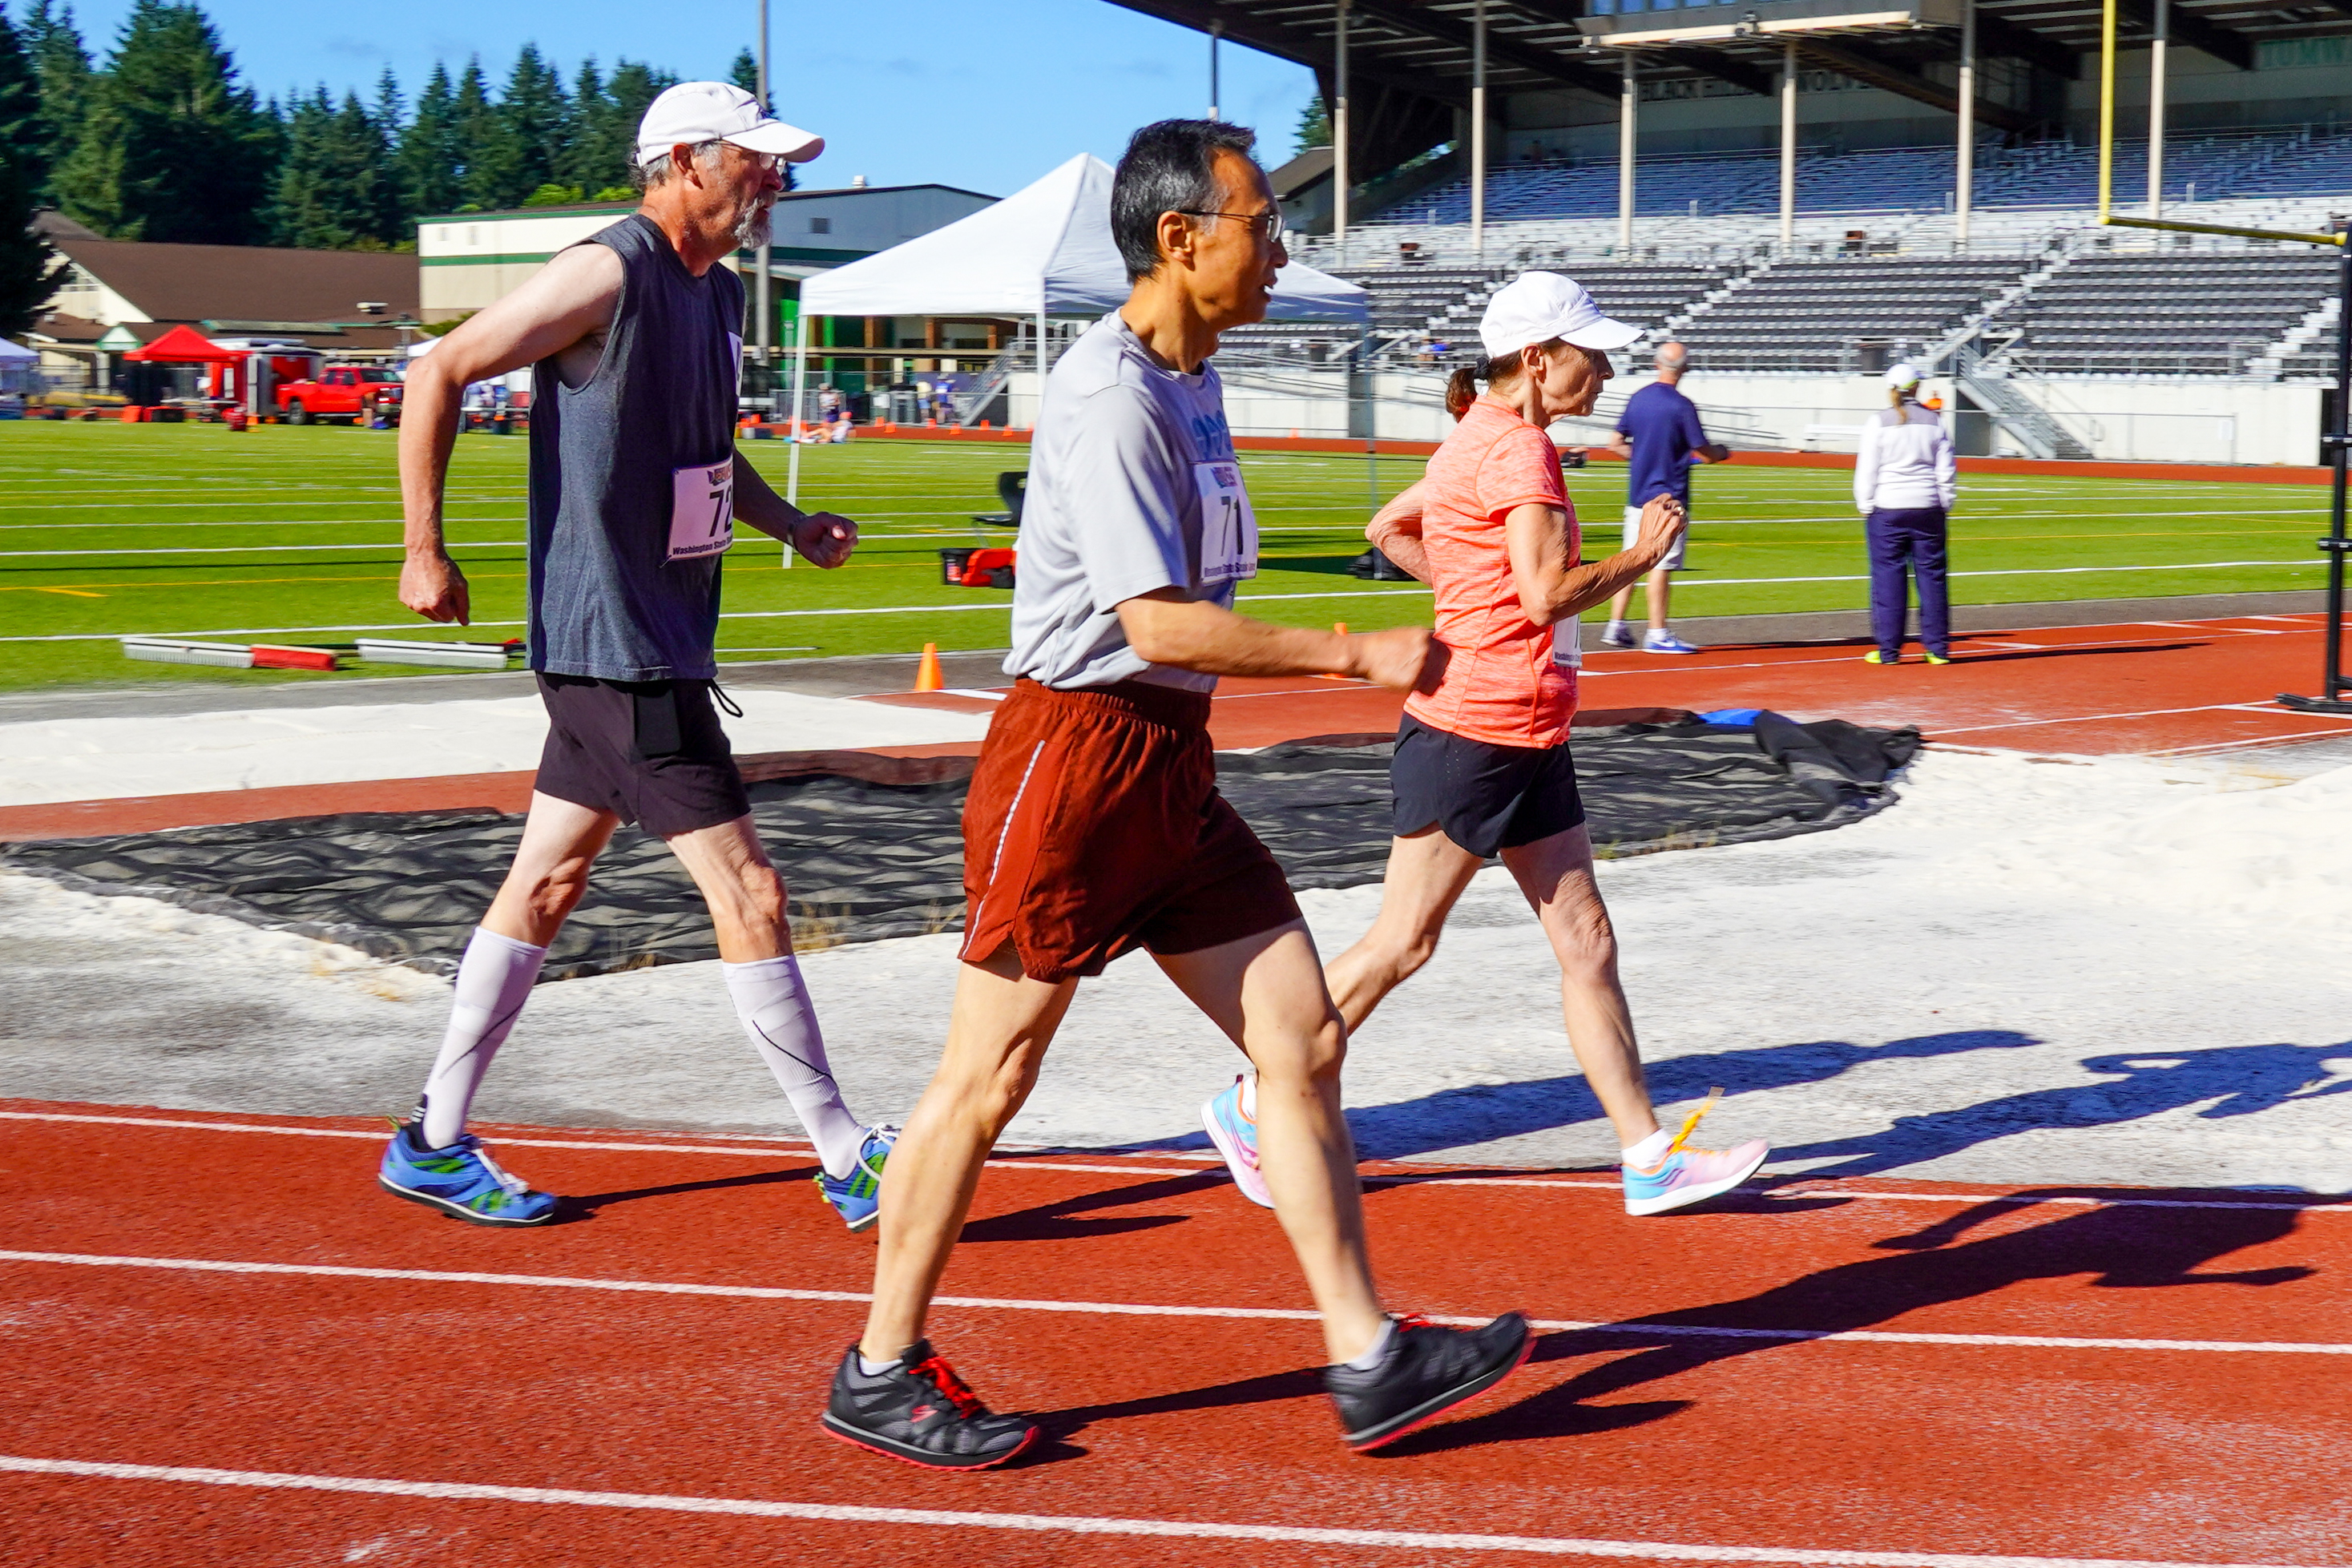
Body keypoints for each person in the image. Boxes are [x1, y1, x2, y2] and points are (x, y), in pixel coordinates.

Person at [823, 119, 1531, 1473]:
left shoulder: (1195, 379)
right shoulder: (1109, 396)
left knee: (1302, 1039)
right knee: (990, 1074)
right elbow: (1156, 622)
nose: (1281, 246)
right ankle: (877, 1366)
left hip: (1169, 770)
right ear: (1179, 238)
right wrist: (1354, 651)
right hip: (1076, 761)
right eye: (1263, 221)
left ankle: (1368, 1355)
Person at [382, 82, 896, 1233]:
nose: (775, 182)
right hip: (620, 647)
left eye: (778, 164)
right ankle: (844, 1154)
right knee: (749, 891)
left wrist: (790, 528)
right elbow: (437, 369)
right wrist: (426, 547)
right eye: (756, 162)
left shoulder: (710, 298)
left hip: (640, 639)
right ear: (679, 163)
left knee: (547, 880)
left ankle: (433, 1138)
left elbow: (703, 456)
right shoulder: (608, 270)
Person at [1200, 274, 1770, 1223]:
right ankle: (1253, 1099)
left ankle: (1645, 1157)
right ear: (1539, 361)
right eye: (1593, 351)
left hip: (1525, 729)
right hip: (1477, 733)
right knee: (1399, 943)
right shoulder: (1517, 454)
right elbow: (1545, 595)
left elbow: (1389, 527)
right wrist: (1642, 553)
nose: (1609, 366)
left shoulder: (1479, 438)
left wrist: (1466, 602)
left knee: (1586, 941)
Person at [1595, 341, 1728, 655]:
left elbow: (1615, 442)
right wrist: (1721, 453)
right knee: (1661, 565)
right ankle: (1657, 631)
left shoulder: (1638, 398)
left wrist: (1641, 456)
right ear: (1685, 369)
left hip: (1638, 494)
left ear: (1656, 364)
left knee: (1630, 561)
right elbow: (1704, 451)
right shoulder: (1681, 406)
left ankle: (1616, 625)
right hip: (1670, 497)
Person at [1855, 362, 1958, 666]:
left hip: (1888, 509)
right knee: (1933, 579)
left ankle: (1889, 651)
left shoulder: (1879, 422)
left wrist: (1866, 505)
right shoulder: (1935, 421)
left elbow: (1867, 470)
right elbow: (1946, 471)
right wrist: (1944, 502)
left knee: (1888, 579)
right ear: (1917, 388)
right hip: (1928, 508)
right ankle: (1937, 649)